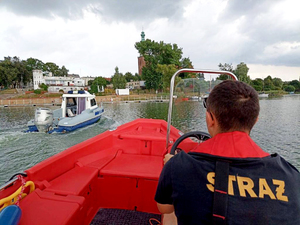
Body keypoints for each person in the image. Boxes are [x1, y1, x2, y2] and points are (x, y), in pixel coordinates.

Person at [155, 80, 300, 225]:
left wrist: (172, 165)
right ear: (255, 120)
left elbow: (164, 207)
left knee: (171, 214)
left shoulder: (178, 166)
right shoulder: (291, 176)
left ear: (210, 118)